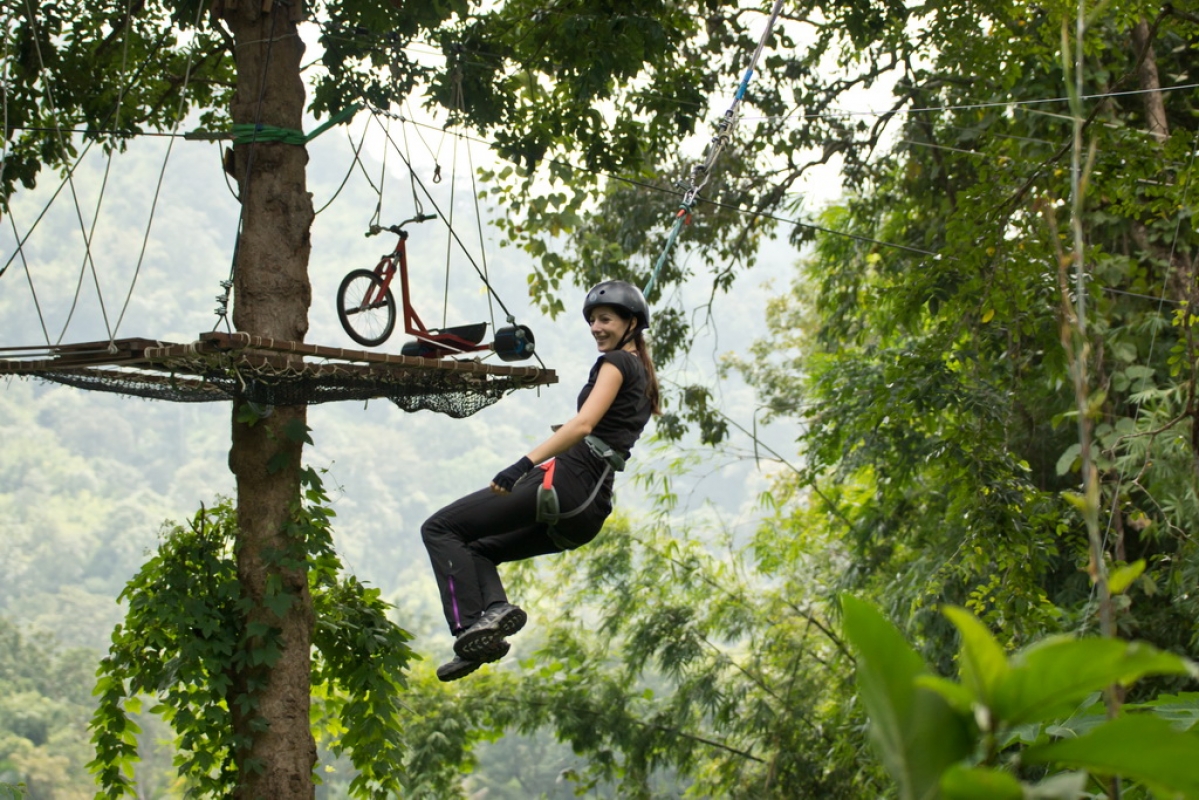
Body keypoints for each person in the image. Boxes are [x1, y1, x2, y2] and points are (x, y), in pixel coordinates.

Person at [421, 279, 661, 681]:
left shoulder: (617, 364)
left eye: (605, 319)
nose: (596, 328)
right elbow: (605, 429)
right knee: (478, 551)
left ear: (630, 322)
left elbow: (583, 425)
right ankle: (489, 623)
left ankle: (465, 627)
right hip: (589, 510)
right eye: (592, 321)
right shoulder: (643, 374)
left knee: (440, 528)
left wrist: (520, 465)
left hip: (566, 483)